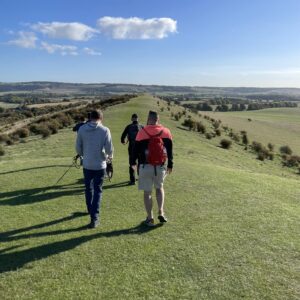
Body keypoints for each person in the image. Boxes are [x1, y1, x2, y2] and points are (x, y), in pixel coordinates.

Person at [133, 110, 173, 226]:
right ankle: (161, 211)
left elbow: (134, 151)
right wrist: (170, 164)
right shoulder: (166, 131)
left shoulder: (141, 132)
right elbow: (170, 151)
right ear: (158, 119)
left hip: (145, 166)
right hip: (160, 167)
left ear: (148, 119)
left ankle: (150, 218)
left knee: (147, 192)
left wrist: (133, 163)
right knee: (159, 189)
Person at [76, 109, 113, 228]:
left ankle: (90, 210)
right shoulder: (105, 130)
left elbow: (78, 147)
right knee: (97, 190)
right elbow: (109, 149)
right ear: (101, 118)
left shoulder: (82, 129)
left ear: (90, 117)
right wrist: (109, 157)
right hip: (100, 165)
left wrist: (83, 155)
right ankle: (94, 217)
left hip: (87, 164)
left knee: (88, 189)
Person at [121, 113, 143, 185]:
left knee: (132, 163)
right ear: (137, 118)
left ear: (131, 119)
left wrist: (123, 141)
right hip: (140, 148)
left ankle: (132, 180)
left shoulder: (128, 127)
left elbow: (123, 136)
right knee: (140, 163)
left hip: (132, 148)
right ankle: (141, 178)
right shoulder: (141, 126)